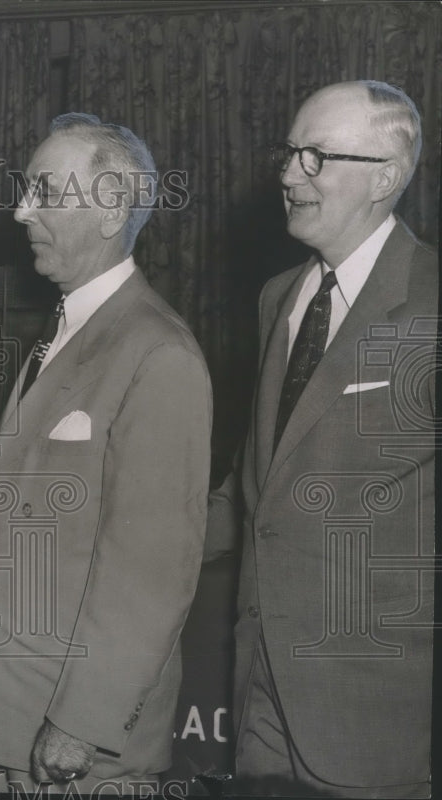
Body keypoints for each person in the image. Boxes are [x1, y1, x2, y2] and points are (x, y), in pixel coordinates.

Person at [0, 113, 212, 794]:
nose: (19, 211)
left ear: (109, 210)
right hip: (9, 720)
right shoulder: (70, 327)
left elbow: (151, 569)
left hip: (73, 745)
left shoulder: (157, 352)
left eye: (43, 190)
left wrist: (83, 724)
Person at [206, 81, 436, 798]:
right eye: (289, 151)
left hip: (376, 707)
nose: (286, 173)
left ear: (386, 177)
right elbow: (254, 488)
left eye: (315, 156)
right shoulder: (280, 295)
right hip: (260, 688)